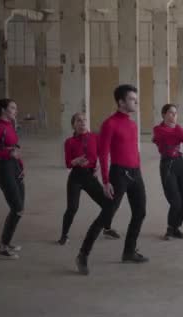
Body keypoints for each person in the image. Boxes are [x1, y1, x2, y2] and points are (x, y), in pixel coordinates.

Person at [76, 84, 148, 275]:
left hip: (135, 173)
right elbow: (103, 153)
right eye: (132, 99)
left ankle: (129, 251)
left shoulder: (132, 124)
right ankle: (83, 254)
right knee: (107, 215)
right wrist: (106, 181)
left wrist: (138, 171)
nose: (136, 102)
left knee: (140, 213)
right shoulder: (110, 124)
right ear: (121, 102)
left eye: (136, 98)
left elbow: (134, 151)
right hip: (118, 175)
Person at [58, 112, 121, 245]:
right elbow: (68, 163)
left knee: (108, 204)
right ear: (73, 125)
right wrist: (76, 161)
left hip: (90, 177)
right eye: (78, 121)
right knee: (72, 208)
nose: (82, 123)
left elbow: (102, 154)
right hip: (76, 177)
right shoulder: (69, 142)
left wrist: (98, 165)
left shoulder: (95, 137)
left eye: (84, 120)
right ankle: (64, 235)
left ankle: (107, 228)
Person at [0, 99, 25, 259]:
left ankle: (5, 242)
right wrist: (8, 154)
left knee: (19, 208)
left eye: (16, 107)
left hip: (15, 168)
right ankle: (3, 246)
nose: (15, 110)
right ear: (3, 110)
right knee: (17, 208)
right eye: (12, 108)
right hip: (4, 171)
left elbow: (15, 148)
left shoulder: (10, 125)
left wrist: (21, 166)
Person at [152, 104, 183, 240]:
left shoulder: (177, 128)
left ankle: (176, 227)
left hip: (180, 162)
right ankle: (170, 228)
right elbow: (169, 136)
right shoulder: (158, 129)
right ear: (163, 114)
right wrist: (178, 134)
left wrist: (178, 133)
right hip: (167, 164)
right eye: (170, 113)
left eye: (175, 113)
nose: (173, 115)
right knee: (175, 201)